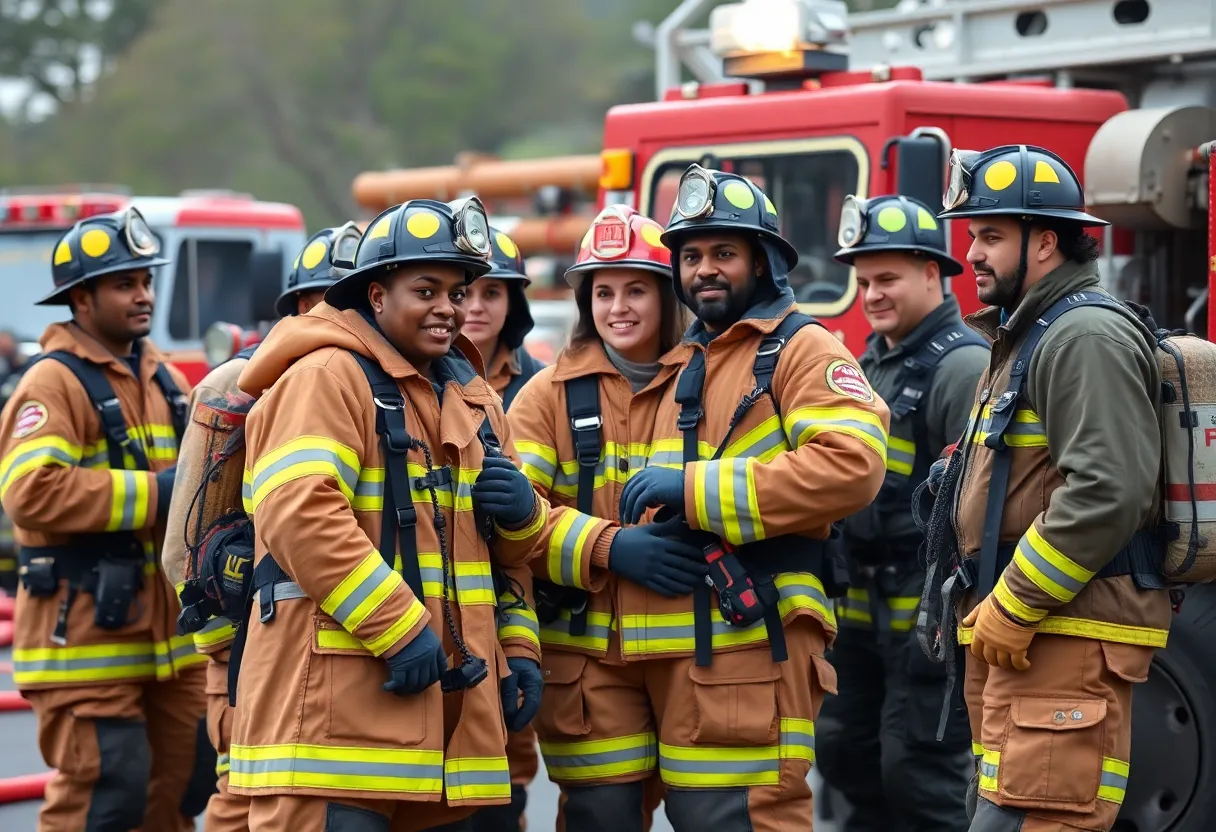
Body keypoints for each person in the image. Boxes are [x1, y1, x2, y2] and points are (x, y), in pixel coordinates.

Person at [227, 196, 563, 832]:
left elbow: (494, 555)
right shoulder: (325, 376)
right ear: (376, 296)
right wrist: (399, 628)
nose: (449, 308)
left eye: (458, 291)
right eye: (426, 289)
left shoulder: (474, 401)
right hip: (330, 732)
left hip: (445, 732)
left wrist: (517, 648)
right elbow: (300, 511)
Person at [612, 165, 890, 831]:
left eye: (724, 254)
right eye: (691, 256)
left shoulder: (802, 348)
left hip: (759, 641)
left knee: (752, 820)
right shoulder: (691, 360)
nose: (704, 269)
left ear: (763, 263)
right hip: (690, 649)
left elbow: (854, 465)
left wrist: (694, 489)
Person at [931, 145, 1169, 832]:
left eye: (990, 236)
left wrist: (1015, 599)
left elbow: (1108, 489)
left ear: (1045, 241)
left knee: (1038, 820)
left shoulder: (1082, 336)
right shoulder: (1032, 334)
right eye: (973, 234)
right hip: (1030, 635)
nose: (972, 253)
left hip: (1061, 631)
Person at [0, 206, 212, 831]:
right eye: (125, 283)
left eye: (146, 280)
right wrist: (160, 493)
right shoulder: (51, 384)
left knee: (185, 786)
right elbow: (29, 491)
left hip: (171, 645)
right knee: (106, 794)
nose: (143, 294)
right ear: (81, 300)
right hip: (85, 640)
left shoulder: (165, 379)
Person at [160, 223, 362, 832]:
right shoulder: (235, 387)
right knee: (242, 805)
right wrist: (228, 655)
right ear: (300, 307)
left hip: (347, 649)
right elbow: (184, 552)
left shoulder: (378, 386)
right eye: (331, 299)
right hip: (252, 648)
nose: (345, 316)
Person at [506, 205, 687, 832]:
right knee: (601, 818)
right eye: (603, 292)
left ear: (669, 295)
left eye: (636, 288)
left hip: (694, 653)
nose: (619, 307)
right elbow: (511, 522)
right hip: (587, 659)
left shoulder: (713, 379)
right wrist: (608, 547)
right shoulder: (545, 396)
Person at [814, 194, 988, 831]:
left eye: (887, 279)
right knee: (842, 750)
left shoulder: (961, 366)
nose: (871, 295)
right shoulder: (873, 365)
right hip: (862, 607)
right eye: (863, 282)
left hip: (927, 609)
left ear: (932, 275)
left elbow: (980, 508)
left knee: (919, 772)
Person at [464, 226, 546, 411]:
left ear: (511, 303)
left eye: (491, 293)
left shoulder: (542, 383)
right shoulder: (416, 379)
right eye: (463, 293)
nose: (476, 307)